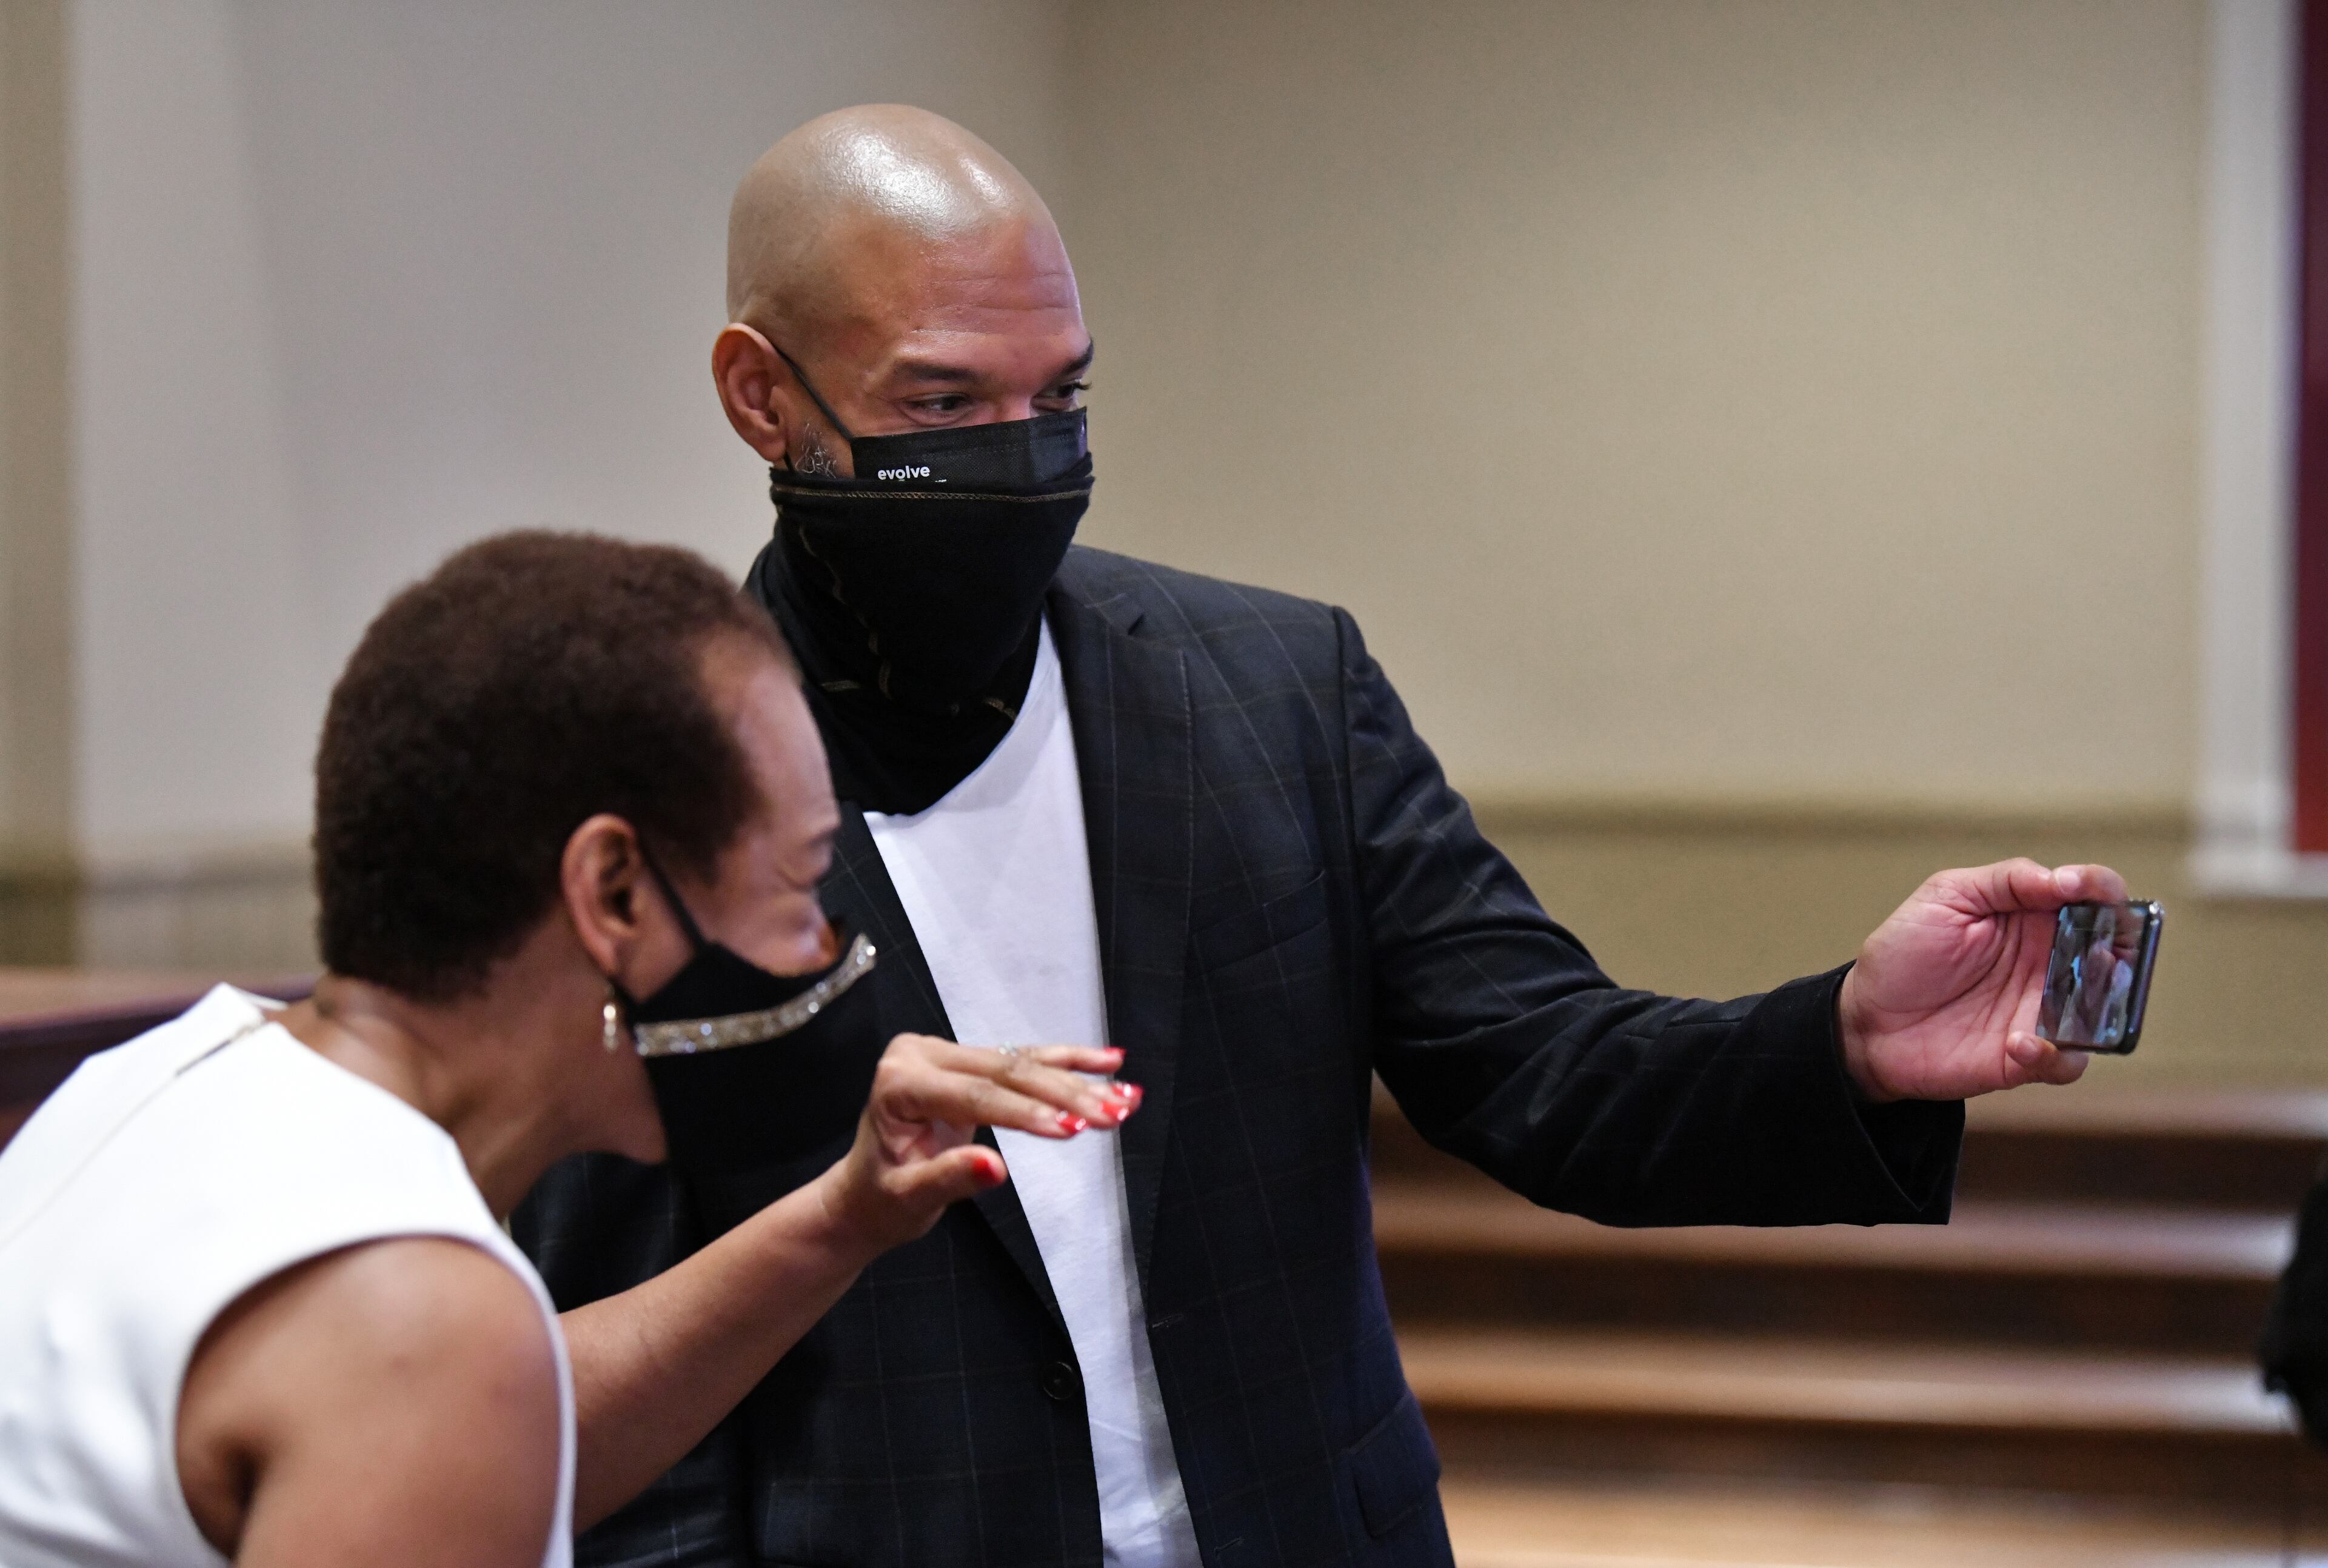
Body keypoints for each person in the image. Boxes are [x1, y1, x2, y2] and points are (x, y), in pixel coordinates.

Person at [515, 107, 2125, 1568]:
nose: (1022, 454)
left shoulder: (1274, 690)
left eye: (1060, 396)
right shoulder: (639, 793)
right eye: (944, 402)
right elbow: (615, 1368)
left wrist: (1848, 1037)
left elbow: (1549, 1072)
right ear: (760, 395)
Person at [0, 532, 1131, 1567]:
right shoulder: (414, 1325)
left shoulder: (160, 1085)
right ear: (614, 892)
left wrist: (843, 1217)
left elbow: (494, 1425)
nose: (828, 951)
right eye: (800, 888)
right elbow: (439, 1390)